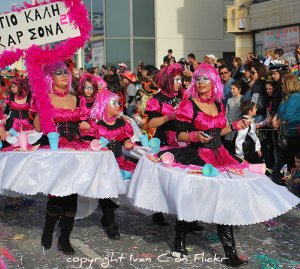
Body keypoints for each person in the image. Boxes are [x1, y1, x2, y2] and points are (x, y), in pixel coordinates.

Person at [161, 63, 249, 267]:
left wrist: (236, 125)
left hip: (220, 156)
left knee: (224, 199)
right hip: (196, 156)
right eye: (197, 79)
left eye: (205, 79)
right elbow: (179, 134)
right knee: (194, 198)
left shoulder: (219, 103)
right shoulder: (188, 104)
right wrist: (194, 135)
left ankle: (230, 251)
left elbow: (219, 132)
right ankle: (179, 239)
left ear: (213, 82)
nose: (200, 82)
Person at [35, 61, 90, 255]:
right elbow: (37, 127)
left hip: (75, 148)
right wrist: (41, 106)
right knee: (57, 191)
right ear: (51, 78)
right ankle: (48, 230)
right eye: (58, 73)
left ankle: (65, 237)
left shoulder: (75, 99)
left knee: (72, 192)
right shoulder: (46, 97)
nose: (64, 76)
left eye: (65, 73)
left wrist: (84, 125)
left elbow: (83, 122)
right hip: (55, 148)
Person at [90, 89, 136, 239]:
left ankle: (106, 213)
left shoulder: (123, 124)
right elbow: (90, 142)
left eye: (118, 103)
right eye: (114, 103)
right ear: (104, 105)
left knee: (123, 189)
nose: (118, 105)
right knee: (107, 193)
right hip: (103, 165)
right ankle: (111, 224)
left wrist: (128, 142)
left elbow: (125, 139)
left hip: (119, 162)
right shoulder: (97, 125)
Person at [145, 63, 183, 147]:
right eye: (177, 80)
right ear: (168, 80)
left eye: (181, 80)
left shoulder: (182, 95)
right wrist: (170, 117)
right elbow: (151, 123)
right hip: (164, 142)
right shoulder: (156, 100)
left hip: (183, 140)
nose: (180, 83)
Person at [273, 73, 300, 170]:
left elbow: (288, 114)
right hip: (285, 133)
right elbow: (280, 111)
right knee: (287, 160)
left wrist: (279, 121)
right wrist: (275, 117)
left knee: (292, 160)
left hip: (293, 134)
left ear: (289, 84)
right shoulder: (286, 97)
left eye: (283, 84)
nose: (282, 86)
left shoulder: (295, 96)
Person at [224, 81, 243, 153]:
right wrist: (227, 123)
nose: (232, 90)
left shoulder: (243, 99)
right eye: (231, 89)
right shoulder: (229, 100)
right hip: (229, 126)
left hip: (239, 126)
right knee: (229, 147)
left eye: (234, 89)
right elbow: (226, 113)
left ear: (239, 89)